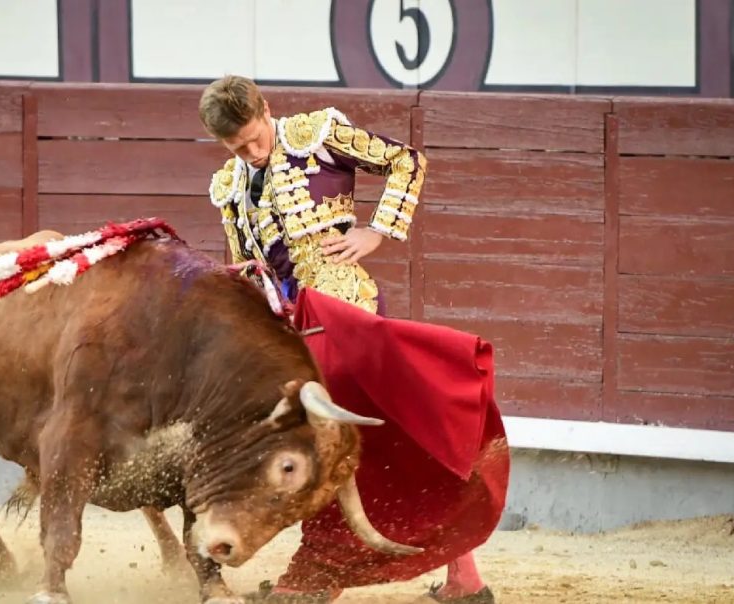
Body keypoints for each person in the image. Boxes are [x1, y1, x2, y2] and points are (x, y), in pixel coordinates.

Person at [199, 75, 510, 603]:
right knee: (390, 440)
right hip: (290, 333)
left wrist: (377, 231)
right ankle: (464, 577)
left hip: (345, 316)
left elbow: (405, 161)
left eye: (254, 138)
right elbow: (247, 267)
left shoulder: (317, 135)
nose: (252, 153)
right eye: (237, 147)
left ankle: (314, 579)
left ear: (266, 110)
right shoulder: (228, 185)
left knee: (333, 444)